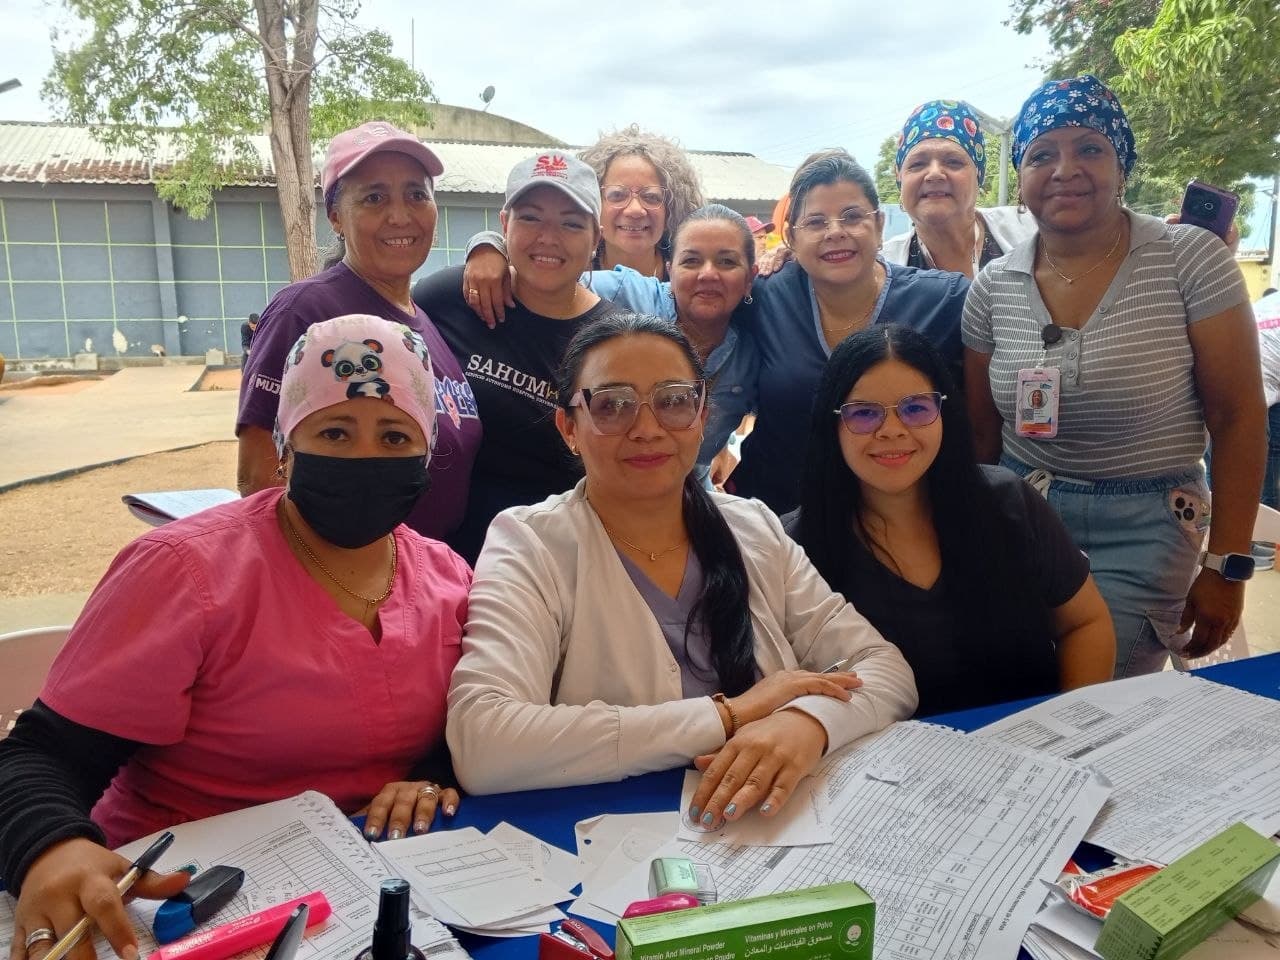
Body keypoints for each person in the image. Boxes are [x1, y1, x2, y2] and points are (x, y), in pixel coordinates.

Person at [0, 315, 471, 960]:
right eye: (334, 431)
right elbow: (40, 757)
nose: (365, 457)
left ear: (426, 456)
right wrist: (50, 849)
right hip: (178, 903)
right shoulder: (183, 571)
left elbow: (472, 720)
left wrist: (432, 773)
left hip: (372, 897)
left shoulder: (450, 578)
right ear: (285, 446)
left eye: (395, 436)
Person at [446, 313, 917, 826]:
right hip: (610, 846)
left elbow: (884, 668)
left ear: (703, 414)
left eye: (672, 401)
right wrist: (727, 716)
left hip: (777, 826)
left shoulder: (752, 527)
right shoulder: (530, 543)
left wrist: (808, 723)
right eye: (612, 406)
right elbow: (483, 742)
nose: (647, 429)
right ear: (569, 427)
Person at [963, 74, 1265, 677]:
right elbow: (980, 434)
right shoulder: (993, 285)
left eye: (1090, 148)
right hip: (1023, 516)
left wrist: (1226, 563)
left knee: (1098, 701)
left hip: (1146, 525)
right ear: (1021, 180)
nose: (1064, 168)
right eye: (1041, 154)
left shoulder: (1188, 260)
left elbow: (1238, 417)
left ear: (1122, 165)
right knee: (1017, 684)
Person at [788, 325, 1114, 716]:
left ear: (945, 412)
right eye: (864, 414)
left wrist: (1068, 726)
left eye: (916, 408)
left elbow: (1085, 624)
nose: (892, 430)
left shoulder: (1009, 503)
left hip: (1030, 752)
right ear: (832, 424)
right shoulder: (794, 548)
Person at [236, 121, 481, 542]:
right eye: (374, 197)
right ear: (335, 216)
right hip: (351, 589)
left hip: (430, 585)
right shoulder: (307, 311)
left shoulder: (423, 323)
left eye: (416, 194)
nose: (400, 215)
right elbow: (260, 477)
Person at [439, 203, 761, 489]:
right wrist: (488, 247)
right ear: (669, 269)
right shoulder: (626, 295)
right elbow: (549, 269)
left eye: (726, 262)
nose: (708, 274)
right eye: (691, 260)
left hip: (687, 499)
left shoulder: (755, 350)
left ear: (750, 278)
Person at [730, 150, 969, 515]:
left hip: (907, 523)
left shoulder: (944, 300)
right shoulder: (762, 295)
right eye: (815, 222)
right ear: (791, 237)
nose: (836, 232)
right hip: (778, 522)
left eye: (852, 216)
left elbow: (979, 419)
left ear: (879, 223)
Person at [412, 151, 616, 563]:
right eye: (530, 217)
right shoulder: (450, 299)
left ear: (596, 239)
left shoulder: (613, 341)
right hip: (435, 560)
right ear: (504, 224)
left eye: (571, 223)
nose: (548, 236)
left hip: (553, 566)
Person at [459, 125, 707, 322]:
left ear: (672, 207)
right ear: (593, 205)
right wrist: (486, 246)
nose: (634, 210)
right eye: (617, 195)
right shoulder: (562, 268)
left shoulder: (687, 272)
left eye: (651, 197)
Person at [884, 100, 1036, 276]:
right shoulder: (881, 268)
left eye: (953, 162)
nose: (934, 174)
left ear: (978, 175)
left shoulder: (1031, 232)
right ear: (900, 178)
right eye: (918, 164)